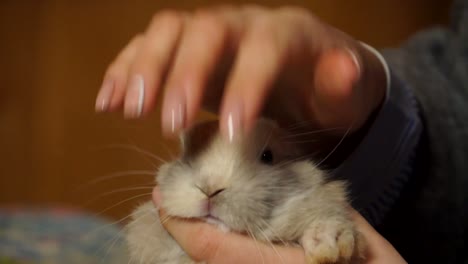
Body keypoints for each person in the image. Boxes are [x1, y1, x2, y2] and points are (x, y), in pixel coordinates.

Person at [95, 2, 468, 263]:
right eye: (195, 153)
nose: (212, 185)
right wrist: (375, 117)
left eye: (267, 155)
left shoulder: (315, 210)